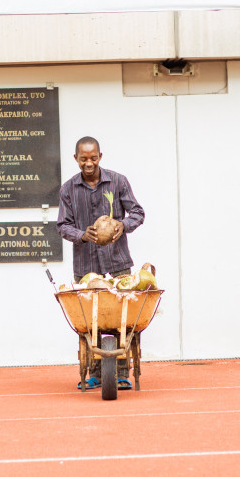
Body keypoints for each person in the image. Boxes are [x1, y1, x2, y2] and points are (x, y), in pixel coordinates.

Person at [57, 136, 145, 390]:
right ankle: (95, 372)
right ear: (76, 159)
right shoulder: (68, 189)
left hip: (118, 262)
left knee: (121, 320)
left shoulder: (117, 181)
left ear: (100, 156)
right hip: (86, 267)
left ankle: (121, 372)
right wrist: (82, 235)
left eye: (93, 158)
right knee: (90, 321)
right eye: (83, 159)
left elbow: (137, 212)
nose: (88, 163)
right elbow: (63, 225)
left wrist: (122, 225)